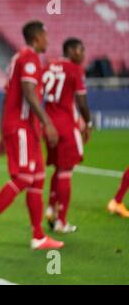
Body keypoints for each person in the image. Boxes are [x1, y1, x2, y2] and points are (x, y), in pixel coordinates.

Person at [0, 20, 64, 253]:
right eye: (45, 35)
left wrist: (4, 132)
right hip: (22, 126)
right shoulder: (29, 58)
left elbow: (7, 97)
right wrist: (48, 122)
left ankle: (38, 236)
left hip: (26, 128)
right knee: (23, 178)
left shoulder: (19, 58)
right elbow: (29, 93)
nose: (48, 39)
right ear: (36, 38)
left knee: (38, 179)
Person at [43, 38, 93, 233]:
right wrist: (88, 123)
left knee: (58, 168)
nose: (83, 54)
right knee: (66, 171)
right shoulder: (74, 69)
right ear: (71, 50)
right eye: (81, 50)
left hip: (49, 125)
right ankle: (61, 221)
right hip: (65, 126)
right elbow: (81, 102)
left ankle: (50, 208)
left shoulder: (49, 65)